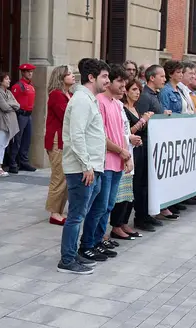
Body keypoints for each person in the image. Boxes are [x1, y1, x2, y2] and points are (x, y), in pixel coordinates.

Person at [57, 58, 110, 275]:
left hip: (92, 167)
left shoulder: (90, 99)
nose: (108, 80)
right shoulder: (81, 100)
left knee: (82, 213)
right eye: (104, 76)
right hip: (82, 169)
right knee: (76, 216)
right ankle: (67, 260)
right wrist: (87, 165)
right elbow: (76, 135)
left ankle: (73, 253)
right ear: (91, 77)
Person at [78, 64, 132, 261]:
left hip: (117, 161)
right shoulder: (99, 102)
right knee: (99, 206)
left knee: (108, 205)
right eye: (119, 81)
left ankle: (99, 240)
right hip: (105, 161)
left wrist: (127, 156)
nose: (122, 86)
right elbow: (101, 137)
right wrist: (121, 152)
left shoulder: (117, 104)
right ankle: (88, 243)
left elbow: (122, 135)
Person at [112, 79, 152, 240]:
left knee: (134, 188)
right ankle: (117, 224)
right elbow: (127, 131)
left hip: (138, 149)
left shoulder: (135, 108)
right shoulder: (122, 108)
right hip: (127, 150)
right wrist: (143, 120)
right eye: (134, 89)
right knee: (124, 189)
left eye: (139, 90)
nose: (137, 93)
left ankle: (124, 222)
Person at [133, 64, 170, 232]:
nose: (164, 79)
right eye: (161, 76)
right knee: (141, 183)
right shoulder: (145, 96)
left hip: (154, 144)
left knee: (148, 182)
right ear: (152, 78)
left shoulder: (156, 95)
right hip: (144, 144)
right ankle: (140, 216)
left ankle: (147, 214)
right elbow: (138, 121)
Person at [44, 65, 75, 226]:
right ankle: (54, 212)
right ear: (61, 77)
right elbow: (66, 116)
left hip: (65, 139)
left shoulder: (69, 94)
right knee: (59, 176)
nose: (72, 76)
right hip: (57, 139)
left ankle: (59, 209)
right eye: (68, 74)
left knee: (65, 176)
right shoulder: (56, 95)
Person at [9, 63, 38, 173]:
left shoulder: (30, 86)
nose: (30, 73)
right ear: (23, 73)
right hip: (21, 115)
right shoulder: (18, 86)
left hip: (28, 115)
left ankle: (24, 162)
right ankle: (12, 162)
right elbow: (12, 101)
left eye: (31, 71)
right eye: (28, 72)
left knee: (27, 139)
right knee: (17, 139)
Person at [0, 71, 20, 177]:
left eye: (9, 79)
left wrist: (11, 104)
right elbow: (5, 107)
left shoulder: (8, 92)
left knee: (3, 144)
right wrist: (11, 105)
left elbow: (17, 104)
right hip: (1, 122)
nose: (9, 81)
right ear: (0, 81)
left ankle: (0, 165)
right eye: (6, 79)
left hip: (9, 122)